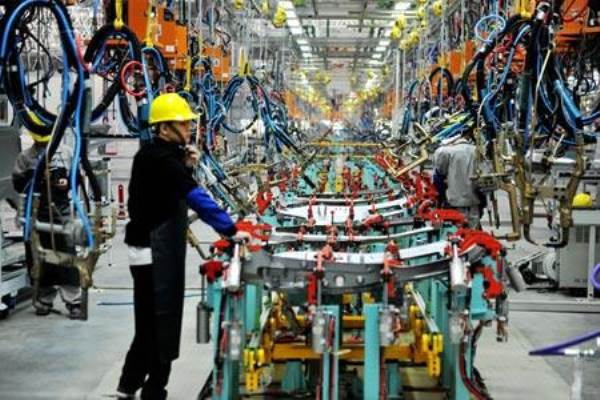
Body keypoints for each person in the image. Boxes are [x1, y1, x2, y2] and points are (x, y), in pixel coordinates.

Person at [116, 93, 250, 400]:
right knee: (154, 327)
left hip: (160, 251)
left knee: (158, 325)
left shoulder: (162, 156)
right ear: (164, 128)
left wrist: (187, 165)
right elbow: (196, 198)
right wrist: (231, 230)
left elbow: (168, 193)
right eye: (183, 123)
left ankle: (138, 386)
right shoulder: (160, 159)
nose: (189, 128)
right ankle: (140, 388)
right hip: (152, 253)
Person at [12, 115, 82, 319]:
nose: (43, 146)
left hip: (61, 213)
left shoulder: (66, 153)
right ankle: (44, 299)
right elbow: (18, 184)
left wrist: (66, 182)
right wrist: (35, 177)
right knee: (39, 258)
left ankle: (73, 300)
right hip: (36, 214)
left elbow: (76, 178)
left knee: (67, 257)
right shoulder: (25, 157)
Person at [433, 132, 485, 229]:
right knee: (474, 231)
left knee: (456, 231)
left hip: (454, 200)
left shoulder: (446, 151)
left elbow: (440, 171)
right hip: (474, 200)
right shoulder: (477, 151)